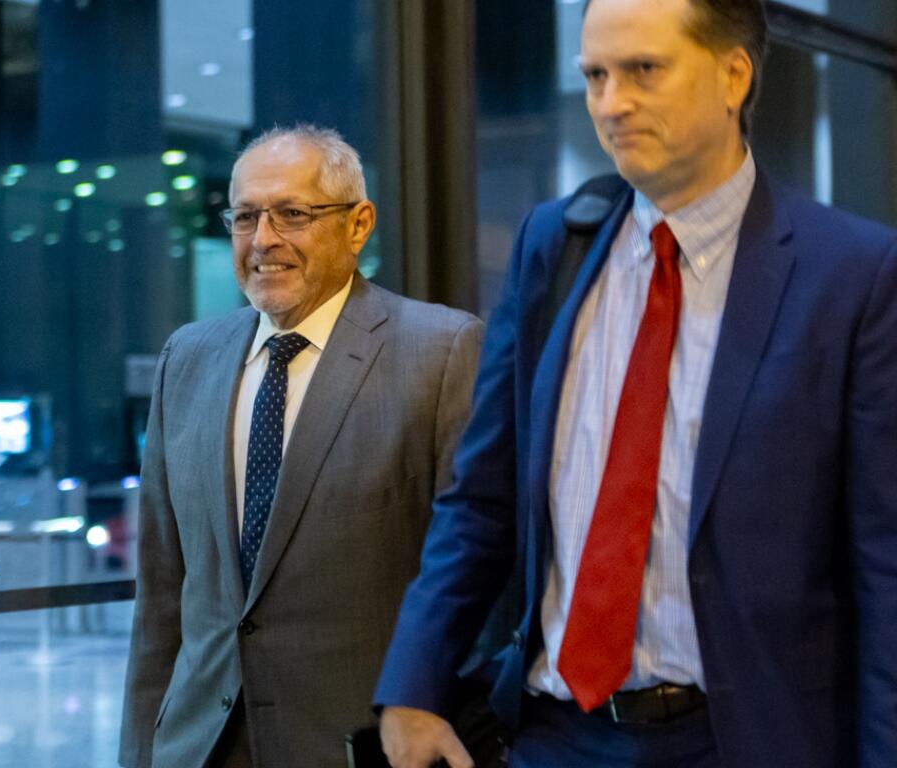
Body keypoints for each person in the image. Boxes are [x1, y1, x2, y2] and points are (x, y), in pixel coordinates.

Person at [375, 0, 897, 766]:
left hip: (745, 739)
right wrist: (412, 687)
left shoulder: (851, 277)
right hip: (554, 734)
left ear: (732, 75)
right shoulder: (554, 245)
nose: (611, 105)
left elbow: (886, 566)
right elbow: (482, 496)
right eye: (594, 76)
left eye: (643, 71)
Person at [119, 125, 484, 768]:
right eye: (245, 217)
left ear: (358, 224)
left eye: (292, 214)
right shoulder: (187, 360)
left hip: (359, 747)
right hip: (200, 748)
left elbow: (482, 574)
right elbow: (162, 597)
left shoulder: (443, 353)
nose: (264, 240)